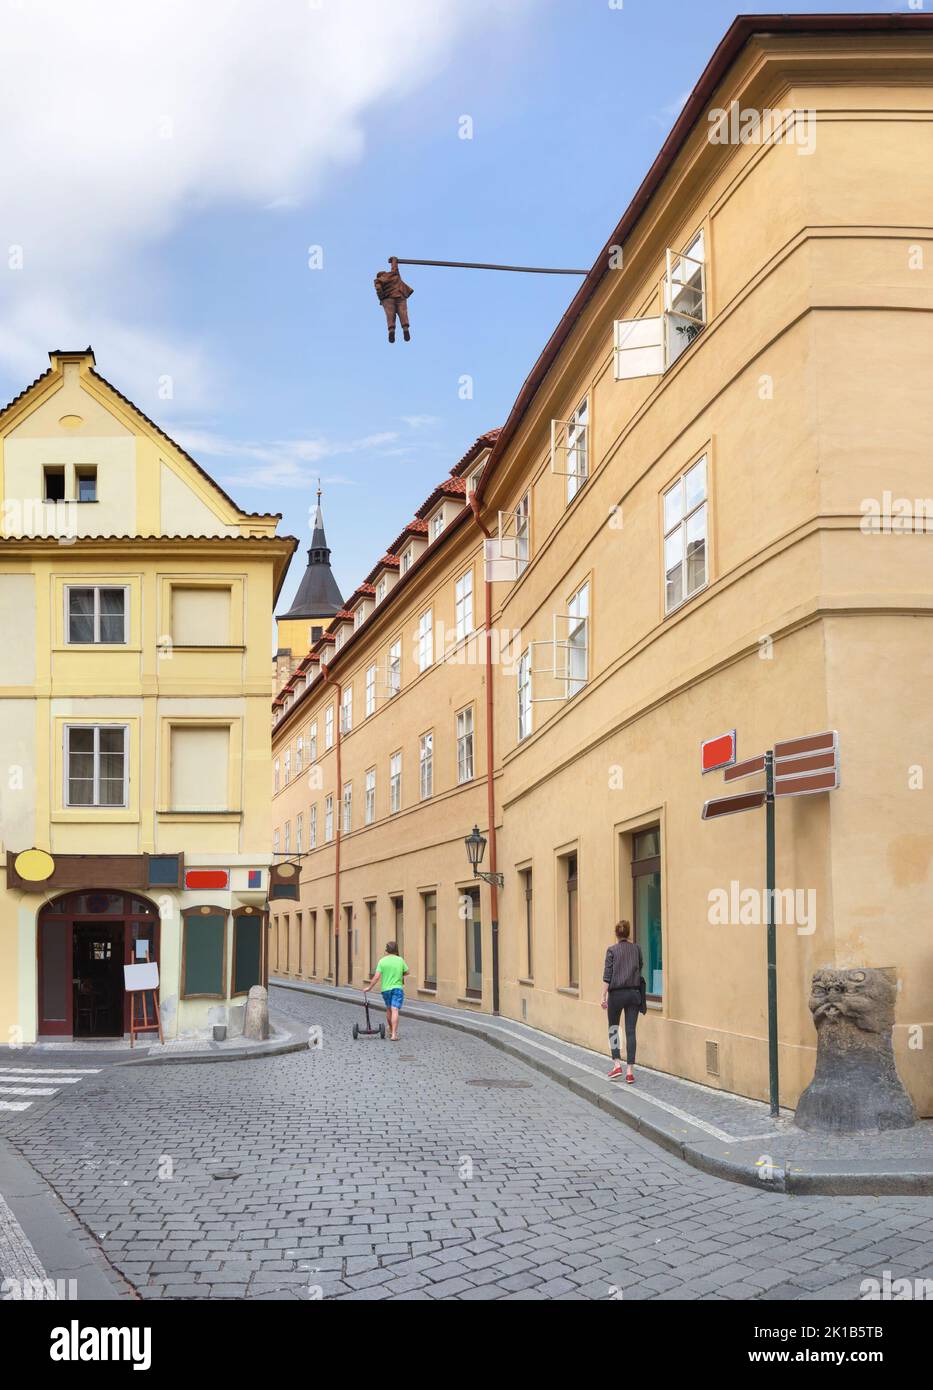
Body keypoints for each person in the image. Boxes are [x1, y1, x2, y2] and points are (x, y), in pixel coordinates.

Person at [601, 920, 643, 1083]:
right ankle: (630, 1072)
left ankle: (617, 1064)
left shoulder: (612, 950)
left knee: (613, 1028)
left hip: (616, 995)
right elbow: (640, 966)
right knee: (631, 1031)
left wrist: (603, 996)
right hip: (633, 993)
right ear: (628, 933)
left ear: (616, 934)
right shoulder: (636, 949)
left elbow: (607, 975)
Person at [363, 940, 409, 1041]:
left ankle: (391, 1029)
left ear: (386, 950)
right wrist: (398, 974)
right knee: (395, 1009)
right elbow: (407, 972)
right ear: (396, 950)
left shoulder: (382, 961)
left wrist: (369, 988)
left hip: (386, 989)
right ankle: (394, 1034)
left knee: (389, 1009)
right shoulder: (400, 960)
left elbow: (376, 977)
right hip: (397, 988)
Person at [374, 257, 414, 343]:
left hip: (388, 299)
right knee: (403, 312)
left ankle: (391, 330)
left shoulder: (378, 280)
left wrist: (382, 297)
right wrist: (393, 260)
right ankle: (405, 329)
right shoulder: (393, 274)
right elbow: (394, 267)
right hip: (400, 296)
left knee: (390, 315)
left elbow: (378, 290)